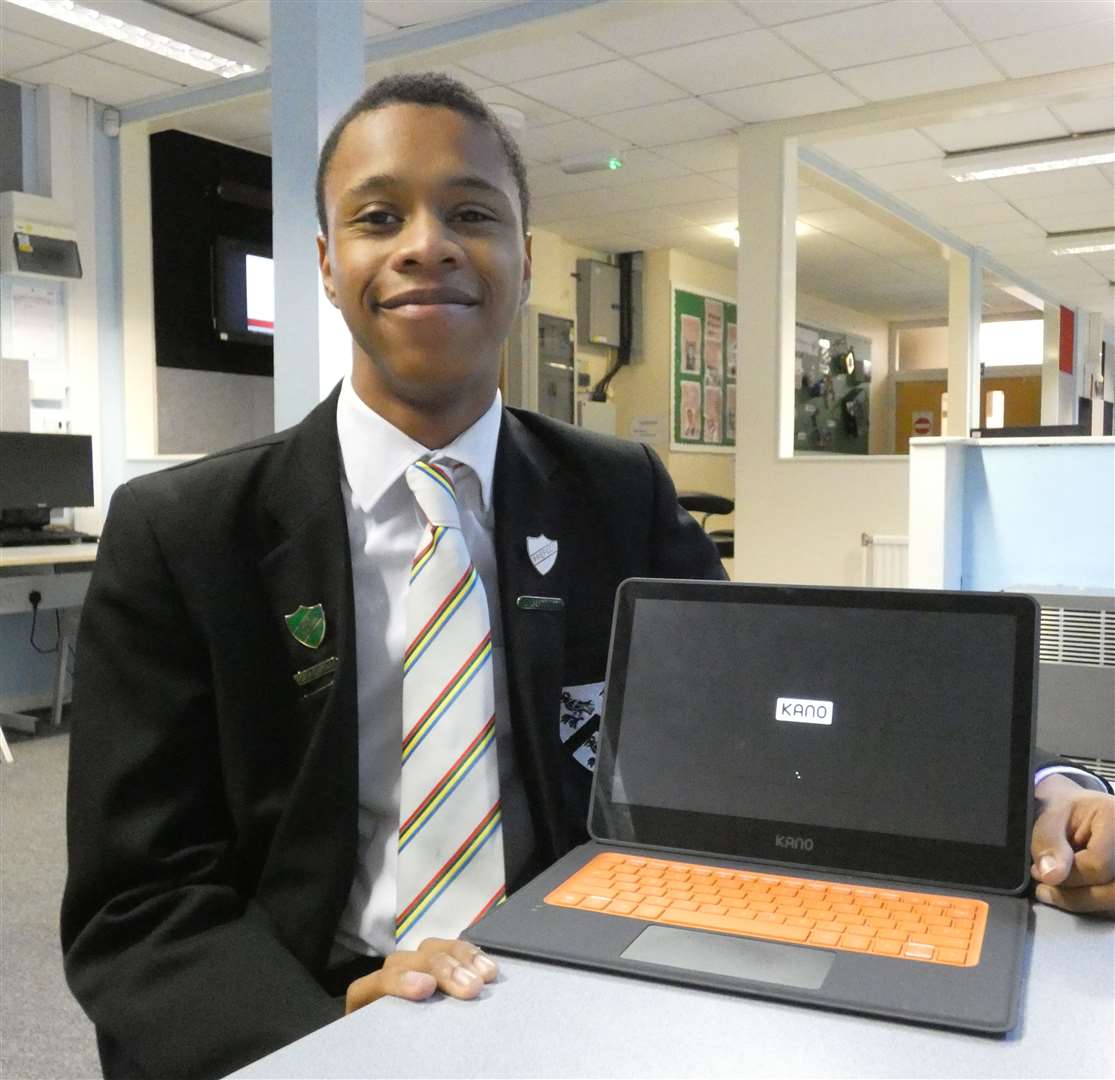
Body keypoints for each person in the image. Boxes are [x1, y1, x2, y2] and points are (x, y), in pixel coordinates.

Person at [61, 73, 1114, 1080]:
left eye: (471, 215)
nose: (428, 246)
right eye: (379, 218)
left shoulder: (615, 493)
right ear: (327, 263)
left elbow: (786, 714)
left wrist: (1035, 795)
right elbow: (137, 904)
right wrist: (331, 1033)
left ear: (522, 256)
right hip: (314, 1001)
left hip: (579, 980)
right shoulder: (183, 533)